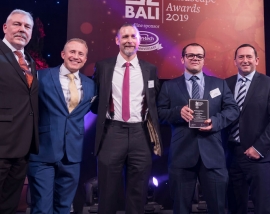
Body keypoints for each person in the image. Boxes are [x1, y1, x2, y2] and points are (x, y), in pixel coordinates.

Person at [157, 43, 239, 214]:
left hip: (213, 156)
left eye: (199, 56)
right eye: (190, 55)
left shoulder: (219, 84)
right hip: (181, 155)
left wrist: (215, 122)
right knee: (181, 208)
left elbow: (232, 110)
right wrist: (177, 112)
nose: (195, 58)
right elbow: (159, 113)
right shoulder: (169, 86)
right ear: (182, 59)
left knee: (217, 207)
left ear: (204, 60)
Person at [92, 23, 162, 214]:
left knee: (138, 192)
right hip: (112, 132)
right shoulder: (103, 67)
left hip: (141, 133)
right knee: (107, 191)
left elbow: (154, 101)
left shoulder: (150, 69)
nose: (129, 41)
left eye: (133, 37)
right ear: (117, 41)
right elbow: (95, 99)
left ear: (139, 41)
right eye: (124, 37)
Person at [27, 38, 96, 213]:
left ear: (85, 59)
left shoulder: (90, 85)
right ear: (63, 54)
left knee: (64, 207)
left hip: (72, 156)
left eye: (81, 54)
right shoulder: (41, 76)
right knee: (42, 207)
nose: (76, 56)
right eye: (72, 52)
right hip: (42, 153)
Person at [0, 9, 39, 214]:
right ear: (5, 28)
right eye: (17, 24)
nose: (22, 30)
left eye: (27, 27)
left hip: (22, 148)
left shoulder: (29, 62)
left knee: (9, 205)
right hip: (1, 144)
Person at [225, 44, 270, 214]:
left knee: (262, 207)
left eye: (249, 57)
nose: (245, 60)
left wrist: (259, 147)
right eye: (241, 57)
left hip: (259, 155)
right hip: (231, 154)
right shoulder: (225, 84)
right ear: (235, 61)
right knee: (235, 206)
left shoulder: (268, 84)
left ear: (257, 60)